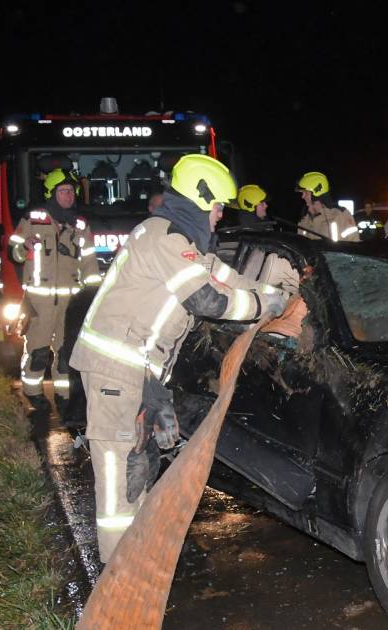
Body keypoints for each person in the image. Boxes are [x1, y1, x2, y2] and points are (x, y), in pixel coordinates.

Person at [69, 154, 288, 561]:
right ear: (200, 199)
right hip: (117, 370)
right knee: (122, 477)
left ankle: (133, 562)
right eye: (218, 207)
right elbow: (208, 298)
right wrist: (263, 304)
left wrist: (273, 293)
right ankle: (116, 585)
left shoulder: (179, 241)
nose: (220, 216)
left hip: (134, 370)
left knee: (140, 463)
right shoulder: (164, 237)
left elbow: (222, 277)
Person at [8, 168, 101, 433]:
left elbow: (90, 264)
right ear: (52, 194)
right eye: (63, 191)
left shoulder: (80, 225)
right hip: (39, 302)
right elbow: (12, 251)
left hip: (70, 302)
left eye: (71, 191)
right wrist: (23, 245)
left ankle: (63, 395)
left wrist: (91, 297)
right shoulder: (34, 219)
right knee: (37, 351)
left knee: (65, 353)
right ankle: (33, 392)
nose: (68, 196)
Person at [295, 171, 360, 242]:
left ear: (316, 193)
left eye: (305, 193)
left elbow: (354, 245)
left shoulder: (340, 215)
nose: (302, 196)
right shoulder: (304, 220)